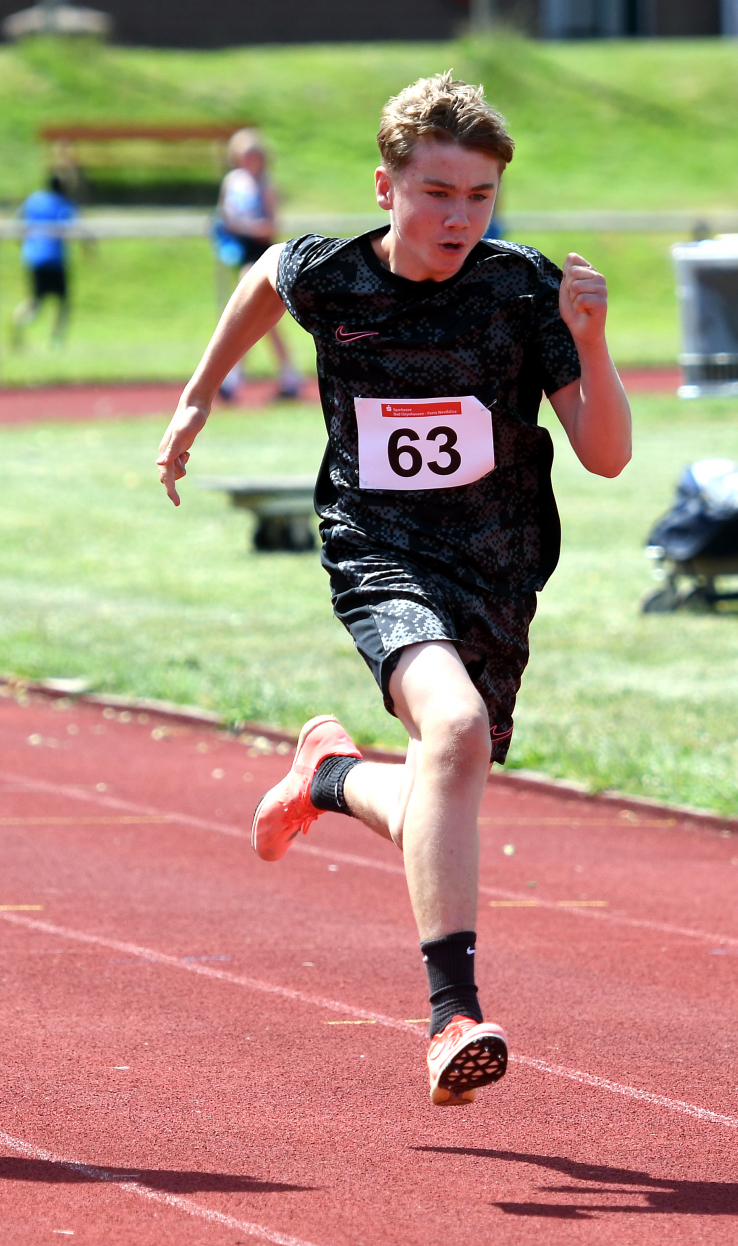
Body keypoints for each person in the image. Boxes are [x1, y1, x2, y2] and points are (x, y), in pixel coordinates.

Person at [157, 73, 632, 1106]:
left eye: (477, 197)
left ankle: (327, 776)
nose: (457, 217)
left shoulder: (517, 289)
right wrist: (196, 401)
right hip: (378, 550)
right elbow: (264, 277)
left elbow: (601, 456)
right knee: (452, 730)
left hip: (498, 564)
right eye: (435, 193)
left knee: (439, 784)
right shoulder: (334, 276)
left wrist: (590, 342)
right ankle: (450, 1012)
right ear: (386, 186)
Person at [214, 128, 301, 400]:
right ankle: (287, 373)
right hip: (238, 251)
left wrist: (243, 227)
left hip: (259, 254)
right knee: (261, 320)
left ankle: (234, 377)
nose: (249, 160)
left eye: (253, 154)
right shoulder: (233, 181)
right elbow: (222, 214)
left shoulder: (265, 185)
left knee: (246, 316)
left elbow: (270, 227)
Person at [12, 174, 77, 347]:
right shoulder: (62, 202)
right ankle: (57, 339)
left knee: (36, 300)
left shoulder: (34, 199)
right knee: (63, 302)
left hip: (33, 257)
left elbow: (19, 217)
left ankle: (18, 324)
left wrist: (23, 239)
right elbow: (69, 225)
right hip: (54, 259)